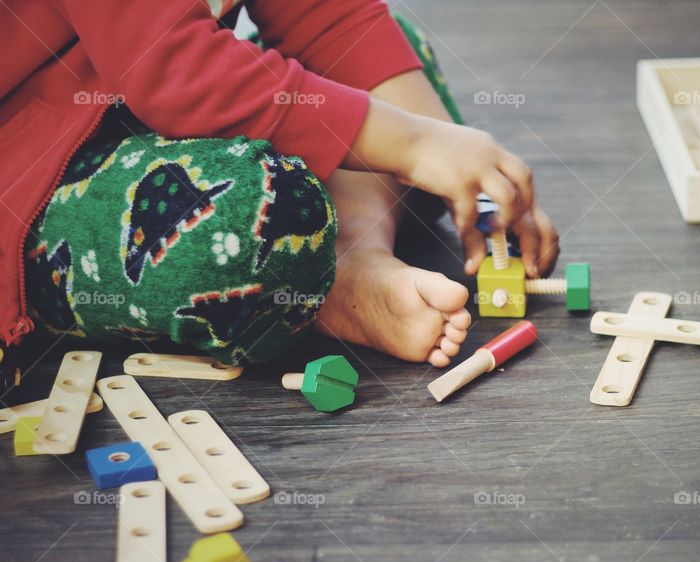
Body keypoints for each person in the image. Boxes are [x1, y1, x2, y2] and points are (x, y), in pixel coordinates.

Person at [0, 0, 559, 395]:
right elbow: (179, 71)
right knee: (234, 222)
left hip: (143, 99)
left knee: (388, 53)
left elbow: (329, 19)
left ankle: (355, 247)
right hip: (29, 167)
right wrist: (415, 145)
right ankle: (323, 285)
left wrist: (458, 165)